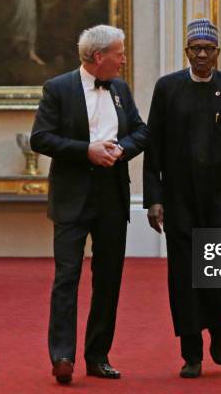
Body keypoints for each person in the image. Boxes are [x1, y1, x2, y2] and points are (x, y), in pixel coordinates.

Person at [31, 25, 148, 384]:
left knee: (108, 279)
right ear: (99, 57)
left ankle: (98, 355)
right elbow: (41, 137)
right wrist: (87, 151)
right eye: (119, 52)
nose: (124, 59)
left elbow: (141, 131)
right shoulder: (58, 88)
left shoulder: (121, 90)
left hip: (112, 194)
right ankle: (62, 355)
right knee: (67, 277)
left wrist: (122, 148)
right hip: (72, 196)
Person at [143, 18, 221, 378]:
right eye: (196, 49)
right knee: (183, 276)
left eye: (209, 49)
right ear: (187, 52)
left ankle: (219, 326)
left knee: (215, 270)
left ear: (218, 53)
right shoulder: (167, 89)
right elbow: (154, 149)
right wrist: (154, 199)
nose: (202, 55)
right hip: (179, 200)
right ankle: (191, 352)